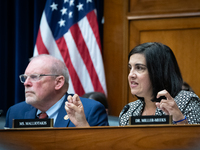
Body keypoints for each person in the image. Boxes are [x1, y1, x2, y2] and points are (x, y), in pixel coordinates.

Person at [5, 54, 108, 128]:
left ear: (58, 82)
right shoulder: (15, 112)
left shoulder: (90, 111)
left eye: (34, 77)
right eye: (25, 77)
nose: (26, 83)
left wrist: (82, 126)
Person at [119, 42, 200, 126]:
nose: (131, 75)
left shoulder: (186, 102)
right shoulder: (128, 111)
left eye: (139, 68)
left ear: (158, 72)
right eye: (130, 68)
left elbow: (194, 138)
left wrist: (180, 120)